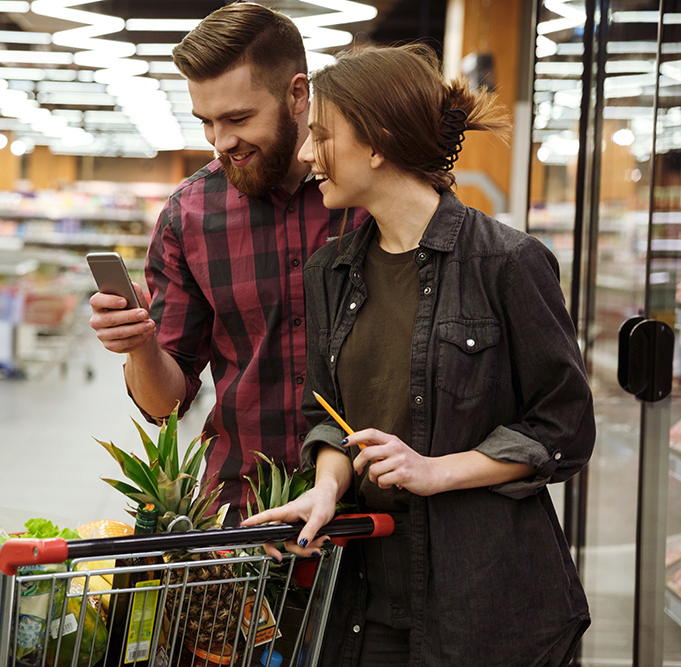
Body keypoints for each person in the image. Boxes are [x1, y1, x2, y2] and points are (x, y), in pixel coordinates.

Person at [242, 43, 595, 666]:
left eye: (321, 136)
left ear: (376, 142)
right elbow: (328, 413)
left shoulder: (506, 263)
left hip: (486, 602)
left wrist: (436, 470)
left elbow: (564, 426)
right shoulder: (331, 271)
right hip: (368, 594)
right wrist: (327, 488)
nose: (305, 155)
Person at [89, 1, 365, 516]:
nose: (222, 143)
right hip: (245, 509)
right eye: (207, 122)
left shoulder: (366, 191)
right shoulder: (189, 214)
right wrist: (140, 344)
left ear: (298, 94)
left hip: (374, 504)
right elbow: (163, 406)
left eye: (238, 118)